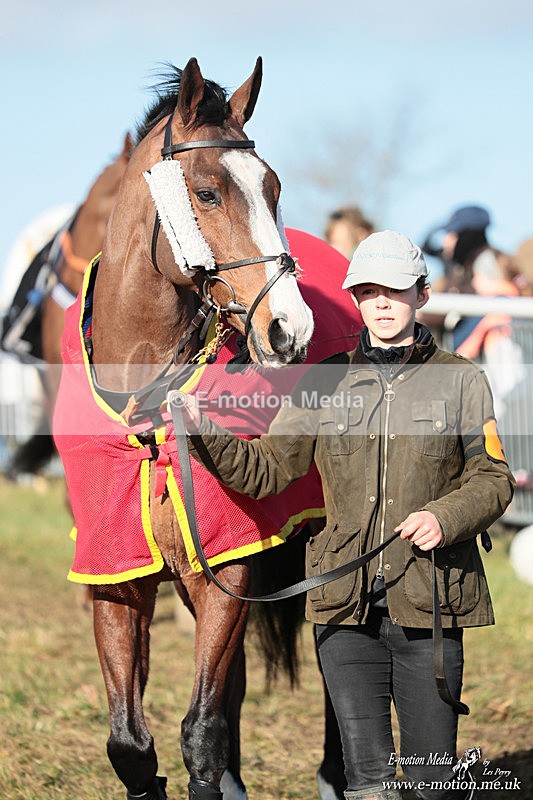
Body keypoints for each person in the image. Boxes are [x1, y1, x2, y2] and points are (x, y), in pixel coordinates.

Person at [180, 230, 515, 800]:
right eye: (368, 291)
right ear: (356, 299)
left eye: (396, 290)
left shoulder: (462, 379)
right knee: (367, 781)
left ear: (422, 295)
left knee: (433, 782)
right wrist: (203, 431)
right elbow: (266, 470)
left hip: (430, 601)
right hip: (344, 607)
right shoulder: (322, 380)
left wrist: (445, 515)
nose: (382, 303)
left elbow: (493, 477)